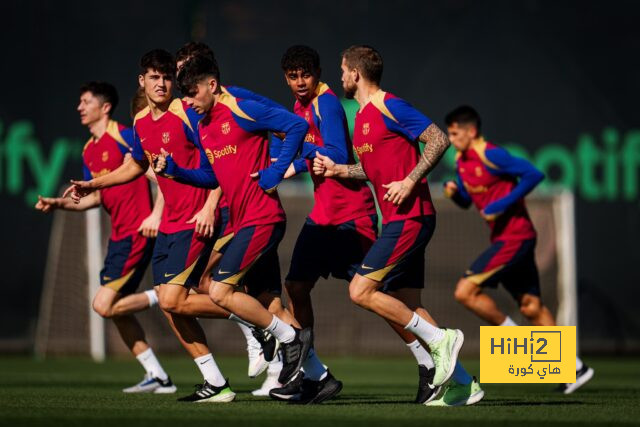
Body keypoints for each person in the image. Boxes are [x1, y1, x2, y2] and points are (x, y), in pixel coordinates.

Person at [65, 50, 248, 403]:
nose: (161, 83)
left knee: (171, 297)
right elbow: (134, 166)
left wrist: (211, 205)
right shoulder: (141, 124)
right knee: (170, 306)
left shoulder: (185, 112)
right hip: (170, 224)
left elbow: (220, 158)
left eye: (166, 77)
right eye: (153, 77)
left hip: (197, 219)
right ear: (142, 82)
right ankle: (216, 383)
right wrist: (94, 184)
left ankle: (253, 318)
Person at [271, 45, 442, 404]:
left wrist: (296, 162)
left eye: (306, 74)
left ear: (320, 73)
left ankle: (432, 361)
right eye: (293, 76)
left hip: (352, 216)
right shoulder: (303, 108)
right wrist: (286, 156)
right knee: (296, 286)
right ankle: (314, 375)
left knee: (382, 298)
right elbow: (348, 162)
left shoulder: (329, 103)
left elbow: (333, 153)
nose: (300, 82)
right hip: (325, 215)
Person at [313, 45, 483, 405]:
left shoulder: (390, 105)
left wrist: (409, 180)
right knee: (408, 304)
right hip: (397, 219)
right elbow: (372, 170)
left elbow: (438, 139)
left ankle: (442, 341)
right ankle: (464, 384)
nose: (340, 76)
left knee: (360, 291)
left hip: (411, 217)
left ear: (355, 74)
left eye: (343, 70)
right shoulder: (361, 118)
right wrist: (341, 170)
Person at [151, 53, 314, 398]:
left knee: (218, 289)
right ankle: (318, 378)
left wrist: (276, 171)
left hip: (262, 218)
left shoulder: (241, 106)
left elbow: (296, 126)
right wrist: (175, 171)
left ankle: (287, 337)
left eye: (192, 93)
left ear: (211, 84)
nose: (188, 102)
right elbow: (211, 176)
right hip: (243, 223)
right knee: (265, 299)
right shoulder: (205, 126)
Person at [443, 105, 593, 396]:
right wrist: (456, 193)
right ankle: (574, 369)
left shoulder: (492, 154)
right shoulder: (461, 161)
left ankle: (526, 349)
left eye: (455, 133)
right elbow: (467, 201)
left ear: (471, 131)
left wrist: (501, 204)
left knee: (465, 291)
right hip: (506, 239)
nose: (451, 139)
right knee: (531, 307)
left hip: (516, 238)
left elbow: (534, 175)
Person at [35, 82, 174, 394]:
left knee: (102, 305)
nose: (80, 107)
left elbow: (160, 173)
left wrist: (156, 213)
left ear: (105, 107)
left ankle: (160, 296)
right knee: (114, 310)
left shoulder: (125, 135)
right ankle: (158, 376)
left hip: (137, 232)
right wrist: (58, 204)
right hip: (119, 236)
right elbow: (96, 196)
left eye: (86, 101)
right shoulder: (89, 149)